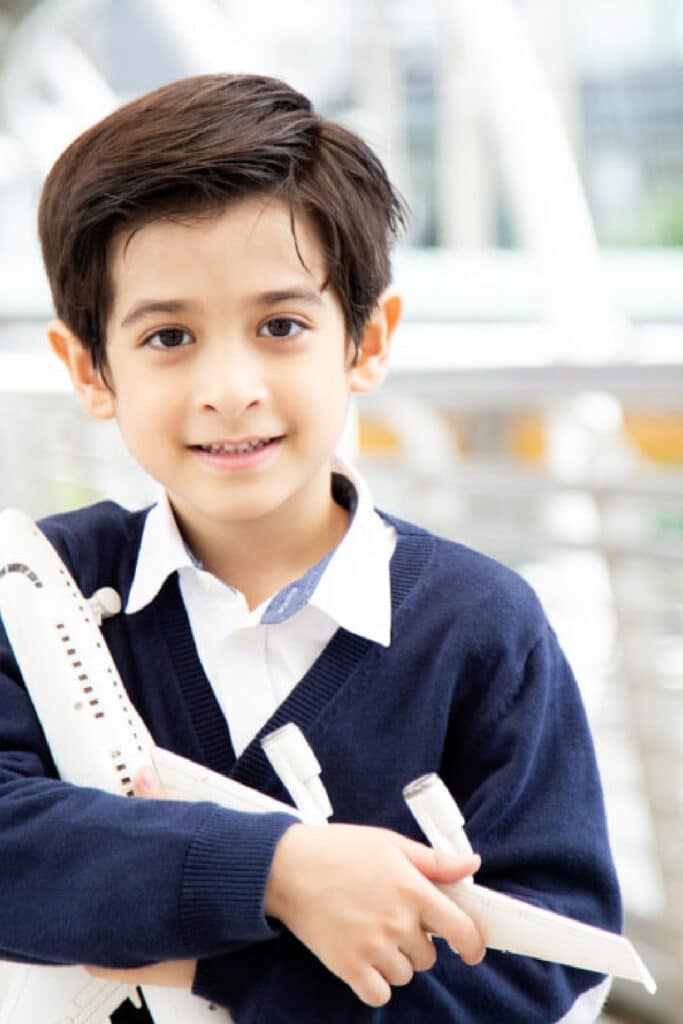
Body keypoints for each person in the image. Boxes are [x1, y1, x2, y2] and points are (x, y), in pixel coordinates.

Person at [0, 73, 621, 1023]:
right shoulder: (34, 586)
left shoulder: (478, 627)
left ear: (366, 342)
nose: (230, 386)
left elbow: (546, 968)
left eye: (280, 325)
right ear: (90, 370)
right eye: (168, 336)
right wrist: (278, 874)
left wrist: (216, 966)